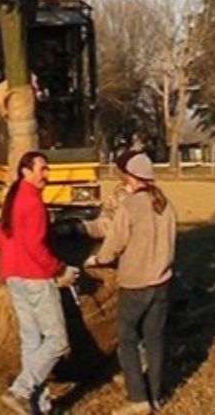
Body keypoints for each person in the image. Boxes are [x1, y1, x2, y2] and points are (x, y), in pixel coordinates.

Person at [83, 150, 177, 415]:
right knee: (155, 340)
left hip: (136, 285)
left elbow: (113, 245)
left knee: (127, 339)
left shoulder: (130, 206)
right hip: (162, 283)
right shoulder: (166, 204)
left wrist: (96, 260)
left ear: (130, 176)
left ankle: (138, 400)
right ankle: (156, 397)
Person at [0, 151, 78, 415]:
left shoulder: (13, 199)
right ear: (25, 172)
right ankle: (20, 391)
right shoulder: (33, 203)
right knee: (57, 341)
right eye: (42, 169)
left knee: (31, 341)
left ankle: (37, 406)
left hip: (13, 277)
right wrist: (59, 269)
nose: (47, 175)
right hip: (36, 279)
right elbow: (35, 246)